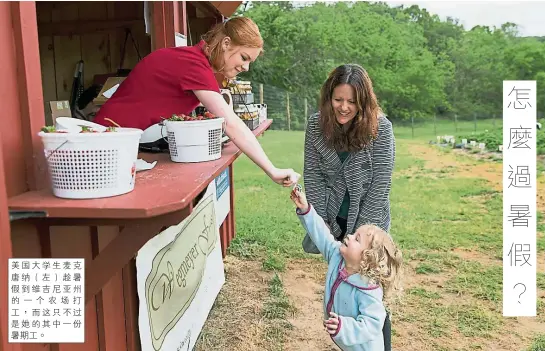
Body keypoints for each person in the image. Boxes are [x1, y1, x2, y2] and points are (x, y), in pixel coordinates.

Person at [93, 17, 298, 187]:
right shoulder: (194, 65)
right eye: (244, 57)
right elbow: (230, 123)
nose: (246, 67)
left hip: (118, 143)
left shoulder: (195, 61)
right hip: (103, 144)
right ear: (226, 44)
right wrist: (272, 170)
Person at [301, 63, 396, 349]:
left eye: (352, 101)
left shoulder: (381, 129)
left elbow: (380, 185)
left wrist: (360, 240)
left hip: (368, 223)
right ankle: (347, 340)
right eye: (338, 99)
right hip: (333, 218)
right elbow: (313, 175)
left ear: (363, 102)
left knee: (371, 292)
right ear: (328, 97)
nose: (344, 107)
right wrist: (326, 227)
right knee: (342, 286)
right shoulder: (316, 126)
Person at [290, 185, 402, 351]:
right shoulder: (337, 256)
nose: (349, 236)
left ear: (366, 258)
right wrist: (306, 209)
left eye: (357, 239)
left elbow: (372, 325)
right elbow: (321, 235)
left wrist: (344, 327)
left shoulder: (368, 290)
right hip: (349, 345)